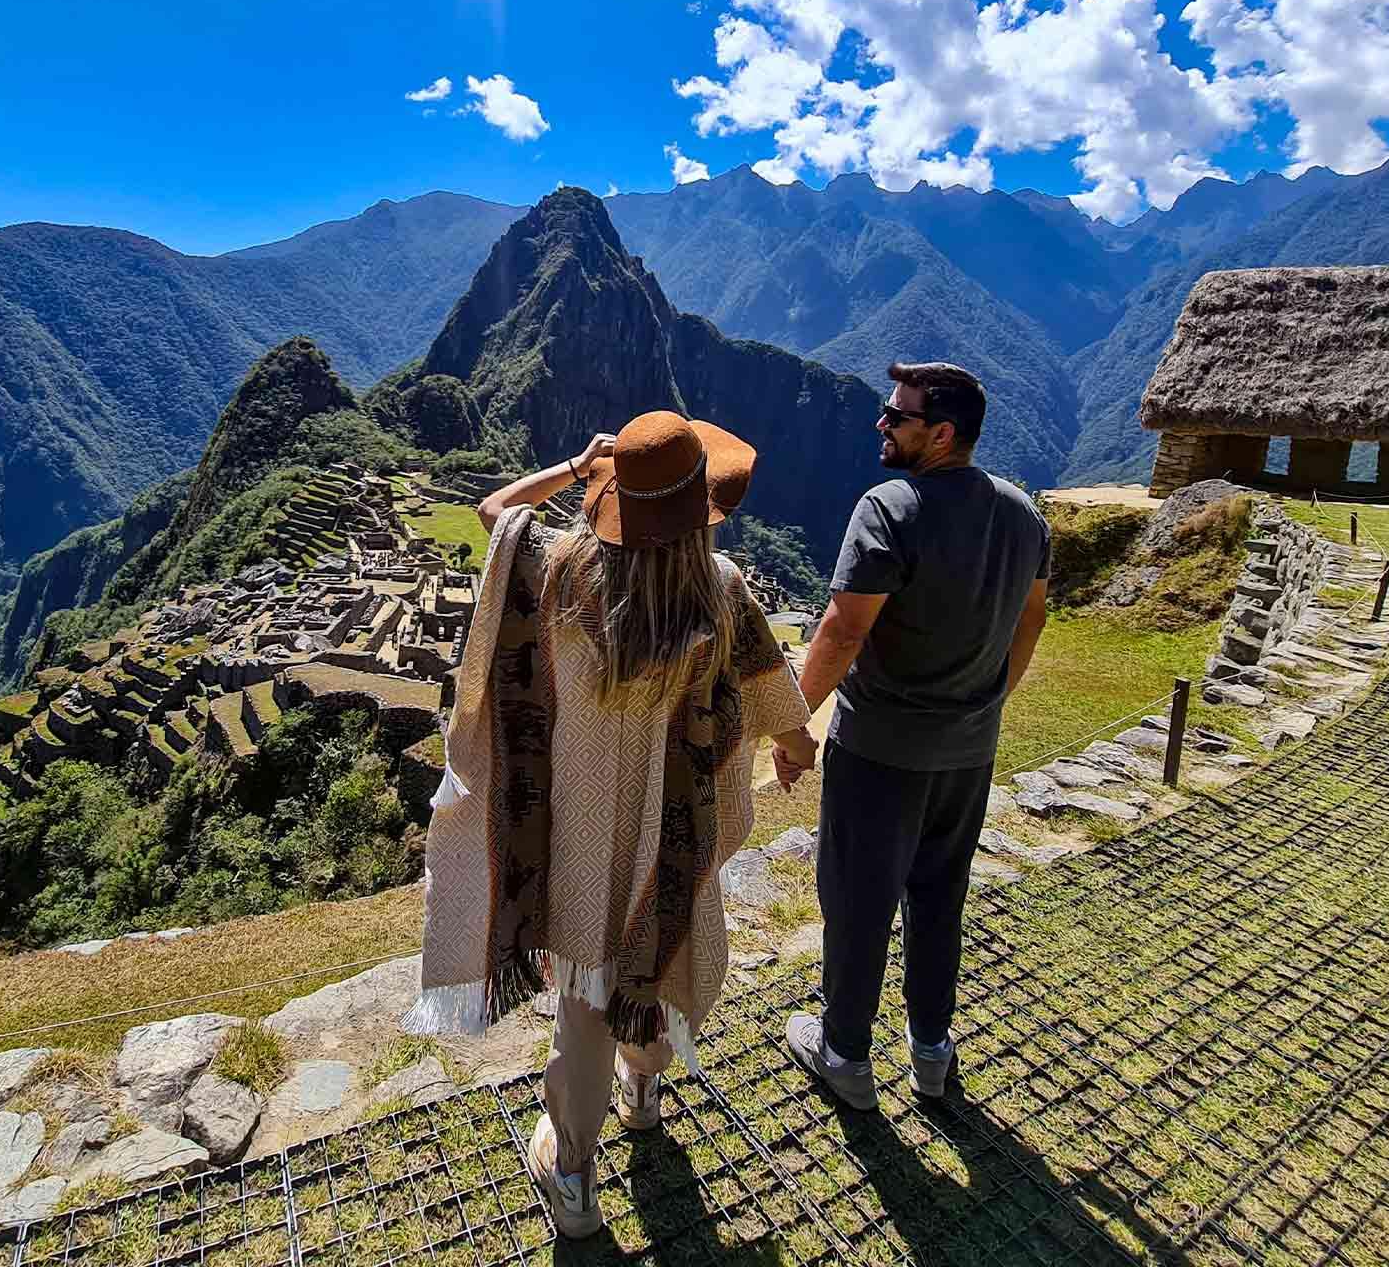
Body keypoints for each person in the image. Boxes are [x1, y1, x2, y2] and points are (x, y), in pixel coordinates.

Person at [405, 412, 813, 1238]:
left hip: (579, 838)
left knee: (582, 1008)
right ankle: (646, 1090)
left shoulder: (561, 574)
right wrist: (794, 752)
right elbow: (779, 702)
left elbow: (495, 512)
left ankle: (575, 1177)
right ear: (700, 507)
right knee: (654, 964)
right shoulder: (723, 590)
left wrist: (574, 463)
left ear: (613, 496)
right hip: (671, 835)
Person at [778, 361, 1049, 1109]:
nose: (881, 424)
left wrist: (788, 719)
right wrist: (993, 694)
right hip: (969, 752)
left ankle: (846, 1055)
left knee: (858, 904)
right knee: (938, 899)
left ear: (941, 433)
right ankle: (931, 1052)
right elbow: (1032, 614)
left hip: (881, 752)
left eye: (896, 416)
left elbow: (841, 630)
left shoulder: (890, 507)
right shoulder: (1023, 513)